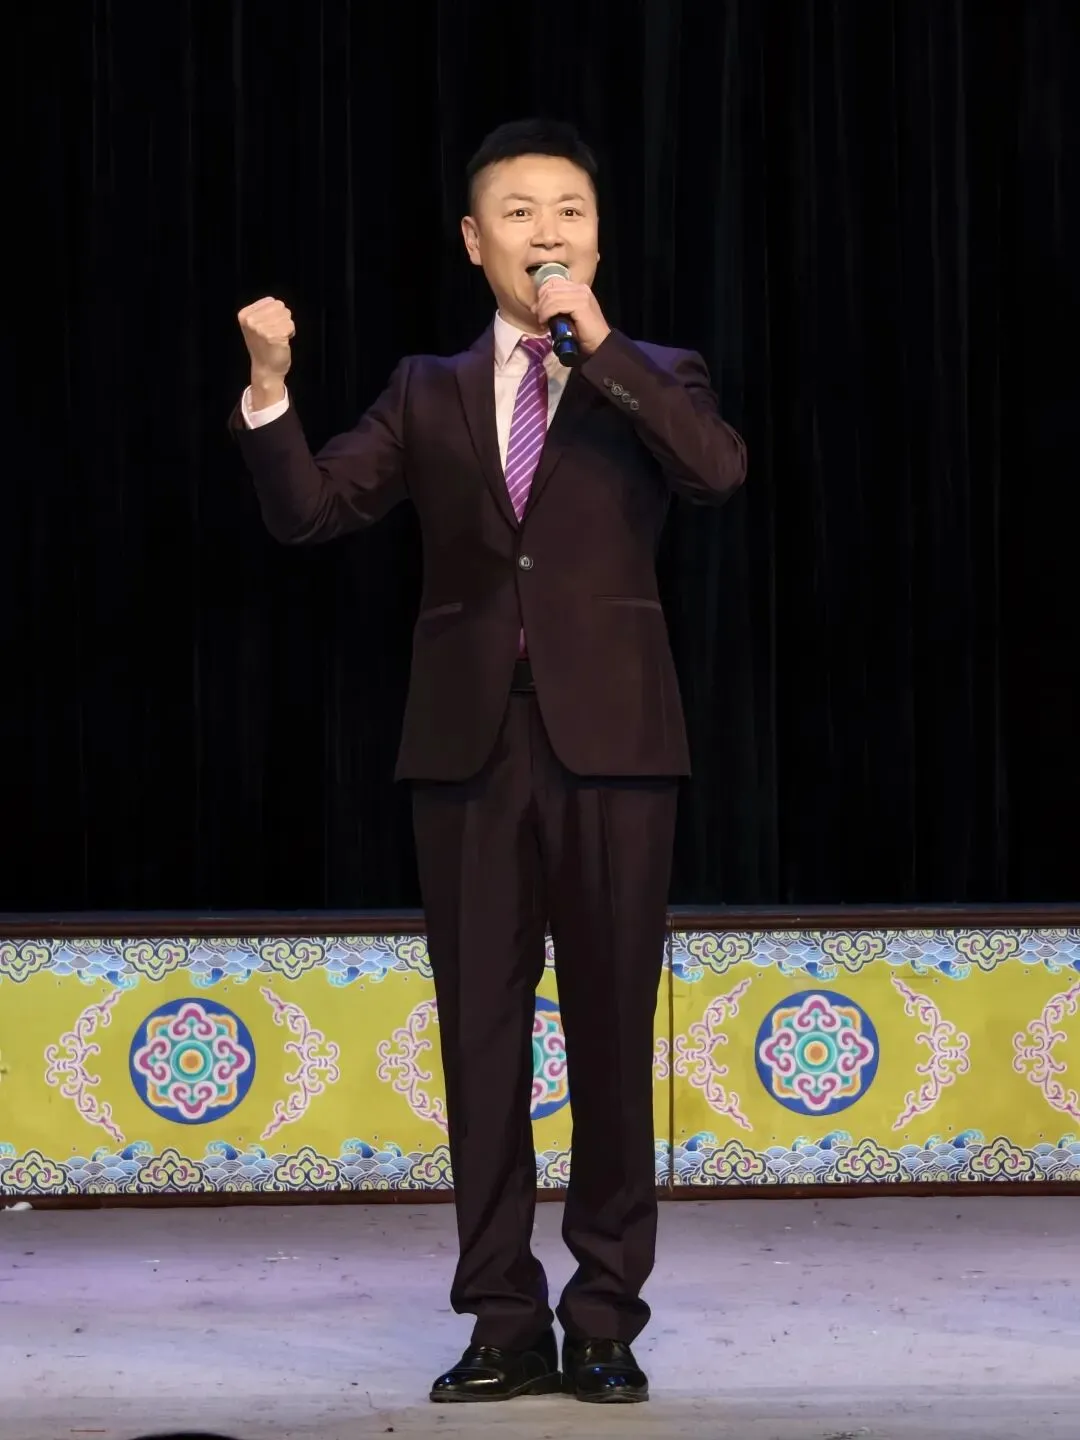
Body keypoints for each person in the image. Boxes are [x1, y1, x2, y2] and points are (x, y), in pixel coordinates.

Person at [232, 118, 746, 1405]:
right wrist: (269, 389)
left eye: (569, 211)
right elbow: (312, 511)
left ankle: (606, 1316)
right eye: (519, 213)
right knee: (481, 1043)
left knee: (614, 1034)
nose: (547, 232)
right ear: (475, 241)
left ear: (597, 238)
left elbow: (715, 472)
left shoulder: (657, 372)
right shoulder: (427, 389)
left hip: (616, 746)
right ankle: (502, 1319)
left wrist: (602, 349)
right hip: (468, 750)